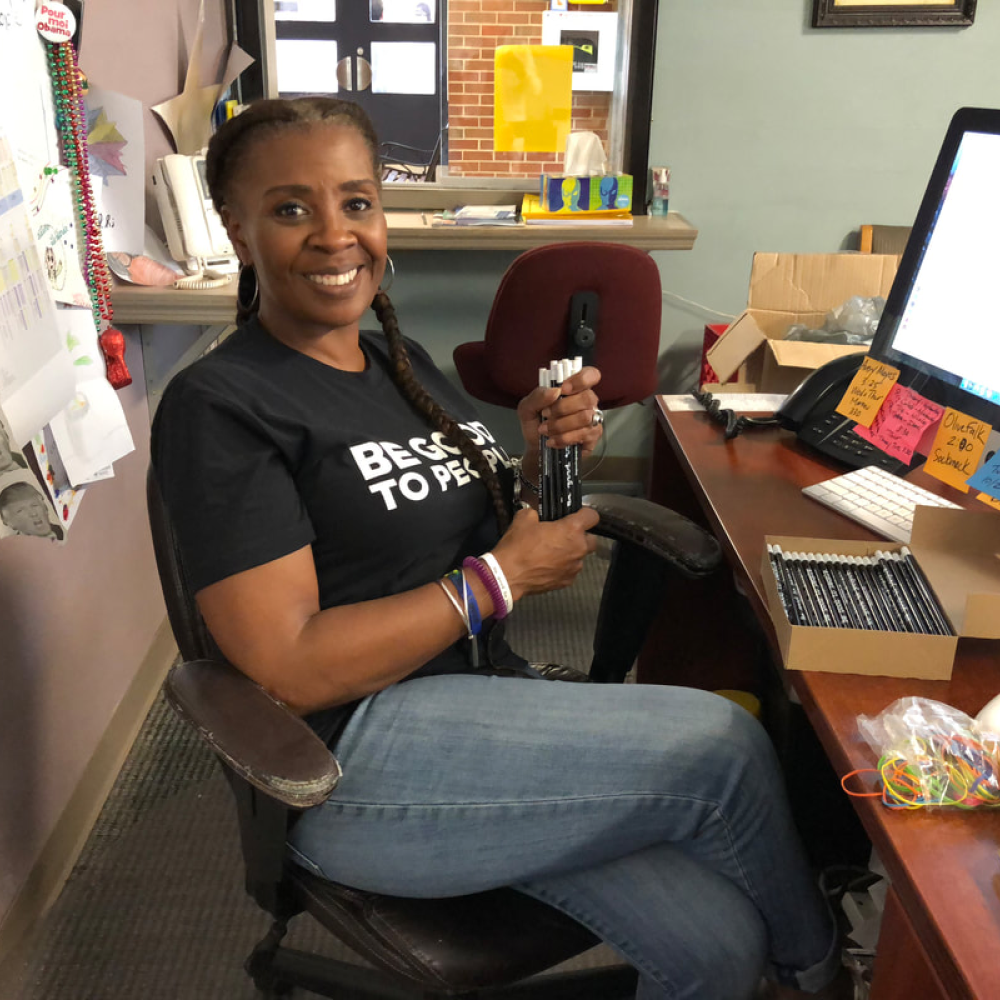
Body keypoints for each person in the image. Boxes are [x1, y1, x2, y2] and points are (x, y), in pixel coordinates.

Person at [150, 97, 853, 1000]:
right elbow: (288, 667)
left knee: (715, 946)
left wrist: (536, 459)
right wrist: (498, 579)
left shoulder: (391, 364)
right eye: (292, 209)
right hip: (354, 764)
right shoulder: (224, 404)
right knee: (721, 744)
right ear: (238, 232)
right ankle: (831, 970)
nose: (336, 235)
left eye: (356, 203)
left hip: (481, 706)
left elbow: (446, 530)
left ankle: (789, 957)